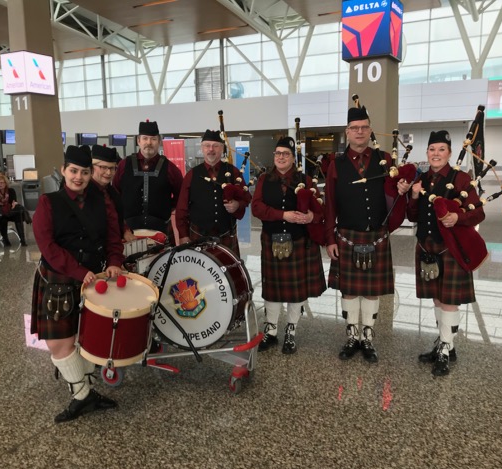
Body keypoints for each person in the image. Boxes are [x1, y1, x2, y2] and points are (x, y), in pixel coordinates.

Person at [31, 145, 124, 423]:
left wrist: (115, 260)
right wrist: (78, 270)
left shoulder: (102, 201)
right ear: (64, 171)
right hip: (58, 280)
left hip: (93, 280)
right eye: (74, 171)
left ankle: (85, 395)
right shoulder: (49, 203)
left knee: (86, 340)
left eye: (84, 172)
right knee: (59, 344)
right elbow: (48, 247)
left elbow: (113, 238)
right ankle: (83, 396)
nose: (79, 177)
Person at [325, 106, 409, 363]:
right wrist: (329, 239)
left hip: (377, 235)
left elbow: (394, 194)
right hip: (347, 235)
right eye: (354, 128)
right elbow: (329, 203)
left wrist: (402, 190)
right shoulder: (335, 164)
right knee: (349, 290)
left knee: (371, 291)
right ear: (347, 132)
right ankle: (352, 336)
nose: (359, 132)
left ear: (370, 130)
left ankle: (368, 337)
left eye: (363, 127)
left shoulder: (385, 159)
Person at [406, 130, 485, 376]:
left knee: (449, 301)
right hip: (426, 247)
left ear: (449, 153)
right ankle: (444, 343)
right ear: (427, 153)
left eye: (441, 149)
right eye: (432, 149)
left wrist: (457, 217)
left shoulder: (461, 179)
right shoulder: (421, 178)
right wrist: (415, 195)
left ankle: (445, 348)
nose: (436, 154)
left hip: (450, 248)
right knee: (438, 298)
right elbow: (412, 216)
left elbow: (478, 213)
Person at [252, 137, 326, 354]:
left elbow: (319, 208)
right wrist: (283, 215)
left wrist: (311, 215)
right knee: (272, 290)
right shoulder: (265, 179)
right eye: (277, 153)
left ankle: (291, 332)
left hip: (299, 241)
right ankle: (272, 330)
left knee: (296, 291)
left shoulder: (306, 179)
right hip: (271, 240)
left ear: (293, 157)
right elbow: (256, 207)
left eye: (285, 153)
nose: (281, 157)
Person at [175, 129, 251, 255]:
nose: (211, 149)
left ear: (222, 149)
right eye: (207, 146)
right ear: (202, 148)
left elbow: (246, 197)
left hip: (227, 235)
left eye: (215, 146)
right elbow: (181, 208)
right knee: (198, 274)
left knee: (229, 273)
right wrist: (183, 235)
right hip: (197, 236)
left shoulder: (234, 172)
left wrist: (238, 204)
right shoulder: (191, 175)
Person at [113, 120, 183, 245]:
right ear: (138, 141)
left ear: (159, 141)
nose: (149, 143)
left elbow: (181, 197)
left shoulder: (171, 169)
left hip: (161, 230)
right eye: (145, 138)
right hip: (128, 233)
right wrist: (123, 228)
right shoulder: (124, 165)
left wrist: (166, 207)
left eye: (153, 139)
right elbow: (115, 196)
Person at [91, 144, 136, 242]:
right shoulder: (84, 192)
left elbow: (117, 219)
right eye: (103, 167)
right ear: (92, 167)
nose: (108, 173)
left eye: (112, 168)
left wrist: (125, 230)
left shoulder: (112, 192)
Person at [0, 174, 27, 246]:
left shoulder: (11, 191)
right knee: (3, 218)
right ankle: (5, 239)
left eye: (2, 182)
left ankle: (22, 239)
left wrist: (14, 204)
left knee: (18, 215)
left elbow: (14, 201)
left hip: (10, 211)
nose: (0, 184)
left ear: (6, 183)